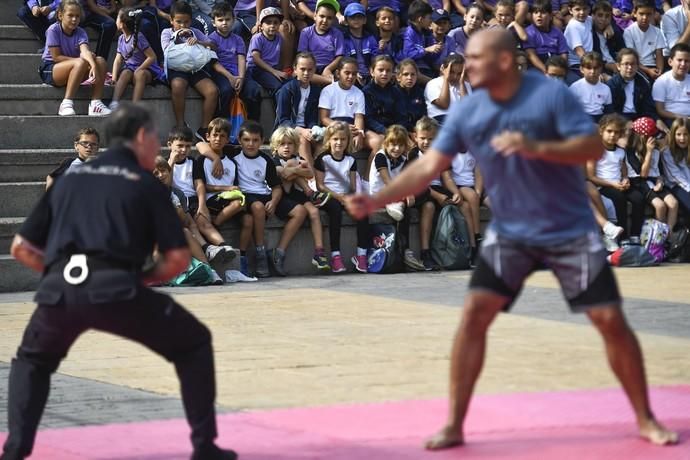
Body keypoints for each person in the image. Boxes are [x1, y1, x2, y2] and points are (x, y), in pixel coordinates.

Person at [345, 28, 679, 452]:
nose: (467, 67)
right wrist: (381, 195)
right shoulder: (469, 110)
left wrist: (535, 145)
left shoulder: (549, 95)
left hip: (568, 229)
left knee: (610, 321)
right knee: (473, 320)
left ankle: (646, 418)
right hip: (511, 233)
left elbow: (592, 144)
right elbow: (430, 163)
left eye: (476, 59)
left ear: (504, 61)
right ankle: (454, 424)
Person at [2, 103, 237, 460]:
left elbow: (21, 248)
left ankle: (16, 449)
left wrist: (60, 275)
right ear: (141, 139)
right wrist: (140, 278)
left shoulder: (69, 180)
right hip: (118, 287)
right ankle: (204, 446)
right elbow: (175, 259)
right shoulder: (147, 185)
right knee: (194, 343)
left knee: (31, 362)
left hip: (62, 289)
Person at [199, 121, 308, 277]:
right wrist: (215, 159)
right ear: (239, 140)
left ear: (262, 140)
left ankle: (279, 252)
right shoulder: (233, 154)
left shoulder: (266, 160)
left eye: (255, 140)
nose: (251, 144)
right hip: (245, 194)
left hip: (266, 195)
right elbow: (200, 145)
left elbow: (276, 187)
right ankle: (260, 252)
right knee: (257, 207)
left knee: (300, 210)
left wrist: (274, 201)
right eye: (246, 140)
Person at [152, 156, 226, 284]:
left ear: (170, 172)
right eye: (155, 173)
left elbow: (184, 222)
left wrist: (177, 209)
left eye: (163, 171)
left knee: (185, 232)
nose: (160, 175)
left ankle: (209, 270)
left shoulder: (177, 194)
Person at [270, 127, 331, 271]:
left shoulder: (298, 159)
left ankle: (319, 252)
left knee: (314, 212)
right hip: (281, 195)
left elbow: (310, 173)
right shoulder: (272, 161)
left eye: (290, 144)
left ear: (296, 145)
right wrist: (297, 169)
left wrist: (295, 169)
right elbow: (283, 174)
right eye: (282, 144)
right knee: (291, 165)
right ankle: (311, 193)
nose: (286, 147)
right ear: (275, 146)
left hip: (296, 194)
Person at [314, 122, 370, 273]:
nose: (339, 142)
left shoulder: (351, 160)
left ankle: (362, 254)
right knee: (335, 209)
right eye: (335, 139)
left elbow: (352, 186)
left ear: (348, 141)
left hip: (344, 195)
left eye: (343, 139)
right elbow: (320, 185)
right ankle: (335, 255)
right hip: (328, 196)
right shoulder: (323, 159)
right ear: (329, 140)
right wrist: (339, 197)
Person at [39, 0, 112, 117]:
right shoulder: (53, 30)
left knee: (100, 61)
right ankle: (66, 103)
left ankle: (96, 104)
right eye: (70, 15)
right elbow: (56, 57)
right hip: (51, 69)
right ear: (60, 15)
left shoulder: (81, 32)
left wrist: (93, 64)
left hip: (75, 67)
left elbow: (85, 51)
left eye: (77, 16)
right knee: (81, 61)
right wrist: (83, 61)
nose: (74, 19)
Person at [161, 1, 218, 141]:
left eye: (186, 22)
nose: (182, 25)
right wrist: (180, 37)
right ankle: (180, 125)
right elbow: (166, 51)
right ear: (171, 20)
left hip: (195, 69)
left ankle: (204, 129)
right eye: (178, 22)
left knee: (212, 91)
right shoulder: (166, 32)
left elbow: (213, 46)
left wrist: (198, 42)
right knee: (178, 86)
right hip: (177, 69)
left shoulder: (195, 32)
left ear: (191, 21)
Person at [587, 114, 646, 239]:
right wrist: (612, 184)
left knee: (639, 198)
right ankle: (622, 237)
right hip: (603, 185)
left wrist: (625, 180)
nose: (613, 135)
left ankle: (635, 235)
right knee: (620, 199)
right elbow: (591, 177)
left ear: (621, 134)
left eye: (616, 132)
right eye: (609, 131)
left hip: (619, 184)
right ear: (601, 131)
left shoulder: (621, 151)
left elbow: (623, 170)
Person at [209, 2, 262, 122]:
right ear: (213, 22)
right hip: (221, 73)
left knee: (253, 90)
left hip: (239, 72)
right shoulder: (211, 39)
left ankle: (253, 125)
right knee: (226, 90)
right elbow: (214, 63)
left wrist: (241, 78)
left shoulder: (238, 39)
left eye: (227, 19)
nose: (224, 23)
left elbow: (241, 58)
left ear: (233, 20)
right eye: (220, 20)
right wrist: (230, 77)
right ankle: (221, 125)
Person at [625, 116, 679, 230]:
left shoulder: (656, 150)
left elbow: (658, 172)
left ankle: (666, 235)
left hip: (655, 182)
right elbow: (643, 174)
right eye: (652, 136)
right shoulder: (631, 152)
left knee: (673, 203)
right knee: (660, 206)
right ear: (643, 137)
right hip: (640, 183)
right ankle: (657, 239)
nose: (655, 139)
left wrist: (660, 181)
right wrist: (648, 152)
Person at [110, 8, 167, 110]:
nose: (116, 20)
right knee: (124, 73)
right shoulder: (121, 39)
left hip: (147, 70)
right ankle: (114, 102)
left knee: (139, 74)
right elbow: (118, 59)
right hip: (130, 69)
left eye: (117, 18)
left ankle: (134, 107)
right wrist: (114, 78)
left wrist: (140, 68)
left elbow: (152, 56)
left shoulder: (138, 37)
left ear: (123, 24)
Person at [274, 52, 323, 166]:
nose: (306, 73)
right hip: (288, 128)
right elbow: (283, 120)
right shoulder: (287, 89)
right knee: (303, 141)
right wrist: (302, 131)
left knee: (322, 143)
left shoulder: (315, 91)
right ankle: (311, 178)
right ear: (295, 69)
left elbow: (312, 118)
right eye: (302, 69)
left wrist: (312, 129)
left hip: (306, 130)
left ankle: (318, 172)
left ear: (314, 70)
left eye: (310, 69)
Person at [318, 58, 367, 151]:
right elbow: (324, 118)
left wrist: (359, 133)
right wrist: (342, 126)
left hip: (351, 127)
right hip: (332, 126)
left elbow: (359, 117)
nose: (351, 76)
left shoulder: (359, 93)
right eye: (347, 73)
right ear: (337, 73)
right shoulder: (328, 90)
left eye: (354, 74)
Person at [297, 0, 346, 86]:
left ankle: (328, 81)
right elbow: (302, 55)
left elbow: (340, 57)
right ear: (315, 15)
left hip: (330, 68)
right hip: (310, 67)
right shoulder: (306, 32)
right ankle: (330, 82)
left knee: (342, 74)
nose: (325, 20)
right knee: (302, 74)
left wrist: (328, 69)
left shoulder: (337, 34)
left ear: (334, 19)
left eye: (329, 18)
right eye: (322, 16)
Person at [606, 48, 659, 123]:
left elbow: (647, 108)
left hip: (638, 119)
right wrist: (625, 121)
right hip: (618, 119)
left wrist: (657, 120)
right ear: (618, 66)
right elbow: (610, 110)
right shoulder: (612, 84)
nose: (630, 68)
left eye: (633, 64)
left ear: (637, 66)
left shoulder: (643, 83)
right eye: (626, 64)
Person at [363, 55, 398, 158]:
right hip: (371, 130)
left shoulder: (396, 92)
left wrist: (396, 130)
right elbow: (368, 119)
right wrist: (385, 131)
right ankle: (368, 174)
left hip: (392, 129)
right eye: (381, 70)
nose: (384, 74)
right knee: (381, 142)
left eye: (388, 70)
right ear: (372, 71)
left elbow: (400, 115)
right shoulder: (366, 92)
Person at [623, 0, 665, 81]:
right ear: (635, 14)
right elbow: (631, 56)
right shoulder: (629, 32)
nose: (645, 18)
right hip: (636, 66)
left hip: (653, 66)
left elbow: (659, 54)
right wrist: (648, 71)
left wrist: (659, 72)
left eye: (648, 14)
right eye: (641, 14)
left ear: (653, 14)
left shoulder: (657, 32)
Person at [523, 0, 568, 74]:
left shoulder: (557, 32)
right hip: (537, 67)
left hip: (557, 66)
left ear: (550, 16)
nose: (539, 15)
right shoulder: (529, 32)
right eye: (535, 12)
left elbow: (563, 54)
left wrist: (561, 69)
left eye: (543, 12)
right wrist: (546, 71)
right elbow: (531, 55)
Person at [400, 0, 439, 84]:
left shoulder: (425, 33)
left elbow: (430, 58)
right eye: (429, 18)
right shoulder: (408, 32)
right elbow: (408, 55)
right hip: (414, 70)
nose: (431, 21)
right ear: (420, 19)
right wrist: (426, 50)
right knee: (435, 85)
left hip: (426, 68)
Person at [424, 54, 470, 124]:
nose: (455, 76)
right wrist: (446, 79)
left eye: (459, 73)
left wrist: (461, 83)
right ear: (443, 69)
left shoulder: (465, 85)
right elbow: (444, 104)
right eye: (451, 72)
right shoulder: (433, 83)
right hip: (438, 122)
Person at [652, 43, 690, 126]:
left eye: (686, 61)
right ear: (670, 61)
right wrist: (680, 117)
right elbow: (660, 110)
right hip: (671, 119)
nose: (683, 64)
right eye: (679, 60)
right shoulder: (661, 82)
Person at [569, 52, 613, 122]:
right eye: (589, 68)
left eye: (595, 68)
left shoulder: (606, 89)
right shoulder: (575, 88)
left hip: (600, 122)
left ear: (601, 69)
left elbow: (608, 112)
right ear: (581, 69)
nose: (592, 71)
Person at [660, 117, 690, 216]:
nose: (682, 138)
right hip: (676, 185)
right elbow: (675, 176)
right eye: (678, 134)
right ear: (673, 135)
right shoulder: (667, 152)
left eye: (686, 134)